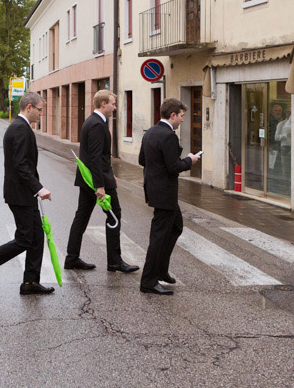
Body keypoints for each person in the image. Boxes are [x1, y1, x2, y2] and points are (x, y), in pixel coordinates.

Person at [0, 91, 54, 296]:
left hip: (23, 194)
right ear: (29, 107)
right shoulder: (20, 129)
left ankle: (30, 282)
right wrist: (39, 188)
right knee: (25, 239)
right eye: (40, 110)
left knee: (36, 238)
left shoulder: (20, 127)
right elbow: (21, 166)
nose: (42, 114)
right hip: (21, 195)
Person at [64, 89, 138, 276]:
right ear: (103, 104)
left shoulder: (94, 121)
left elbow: (100, 157)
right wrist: (100, 185)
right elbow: (96, 158)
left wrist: (109, 174)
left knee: (81, 217)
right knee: (114, 216)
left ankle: (72, 258)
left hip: (91, 178)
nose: (114, 107)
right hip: (95, 181)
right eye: (113, 103)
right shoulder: (97, 124)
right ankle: (114, 262)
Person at [138, 97, 201, 294]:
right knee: (158, 237)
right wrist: (190, 160)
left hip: (156, 189)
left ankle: (162, 270)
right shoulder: (168, 136)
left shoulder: (150, 132)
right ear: (172, 115)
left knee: (176, 227)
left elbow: (142, 160)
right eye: (181, 116)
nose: (183, 120)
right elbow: (174, 167)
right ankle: (148, 281)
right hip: (164, 193)